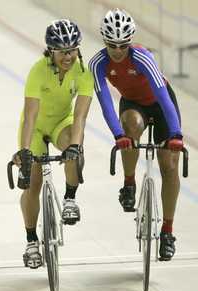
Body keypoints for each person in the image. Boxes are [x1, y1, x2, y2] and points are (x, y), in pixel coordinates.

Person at [89, 8, 183, 261]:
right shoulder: (98, 64)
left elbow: (164, 98)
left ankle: (167, 231)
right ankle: (129, 184)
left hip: (161, 106)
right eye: (112, 45)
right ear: (104, 41)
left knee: (169, 166)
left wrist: (175, 133)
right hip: (134, 105)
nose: (117, 51)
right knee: (129, 127)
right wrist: (119, 134)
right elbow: (106, 103)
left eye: (122, 45)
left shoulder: (142, 58)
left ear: (129, 42)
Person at [13, 19, 94, 268]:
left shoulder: (83, 73)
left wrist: (75, 147)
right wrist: (25, 151)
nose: (68, 56)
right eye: (62, 51)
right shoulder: (38, 71)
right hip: (36, 127)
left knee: (74, 150)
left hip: (62, 122)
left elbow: (80, 117)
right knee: (32, 185)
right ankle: (31, 241)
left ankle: (70, 198)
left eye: (72, 50)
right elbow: (30, 116)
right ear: (51, 50)